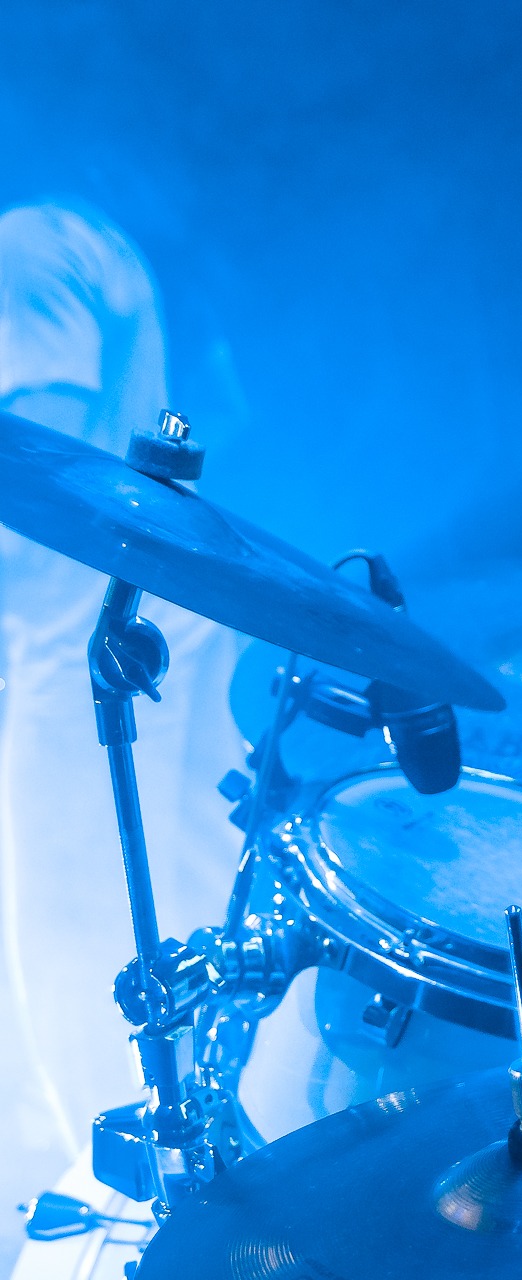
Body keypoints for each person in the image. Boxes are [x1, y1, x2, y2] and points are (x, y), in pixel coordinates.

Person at [0, 202, 245, 1265]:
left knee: (72, 956)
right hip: (101, 612)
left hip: (85, 626)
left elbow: (34, 455)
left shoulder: (34, 246)